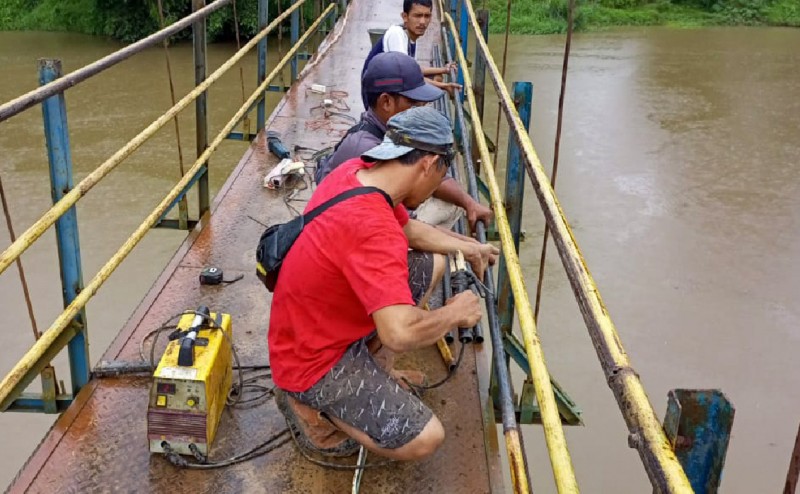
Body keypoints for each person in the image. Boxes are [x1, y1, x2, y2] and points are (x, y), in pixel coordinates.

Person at [269, 106, 498, 461]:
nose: (434, 190)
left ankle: (373, 370)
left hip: (308, 325)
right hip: (311, 362)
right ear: (429, 164)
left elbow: (408, 229)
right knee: (425, 438)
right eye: (440, 177)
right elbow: (399, 334)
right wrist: (454, 314)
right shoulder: (373, 230)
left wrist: (468, 247)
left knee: (432, 264)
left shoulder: (356, 173)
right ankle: (311, 411)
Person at [318, 51, 493, 230]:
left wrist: (469, 203)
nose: (421, 112)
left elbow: (437, 176)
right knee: (442, 211)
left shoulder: (398, 135)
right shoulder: (366, 148)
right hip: (343, 229)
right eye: (414, 105)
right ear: (386, 102)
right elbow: (404, 225)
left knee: (451, 201)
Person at [362, 0, 460, 97]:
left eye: (427, 16)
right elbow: (408, 75)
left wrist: (444, 70)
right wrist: (444, 86)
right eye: (417, 16)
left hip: (385, 85)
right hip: (375, 92)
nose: (422, 22)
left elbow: (415, 69)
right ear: (405, 17)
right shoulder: (396, 34)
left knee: (436, 77)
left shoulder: (410, 38)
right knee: (423, 87)